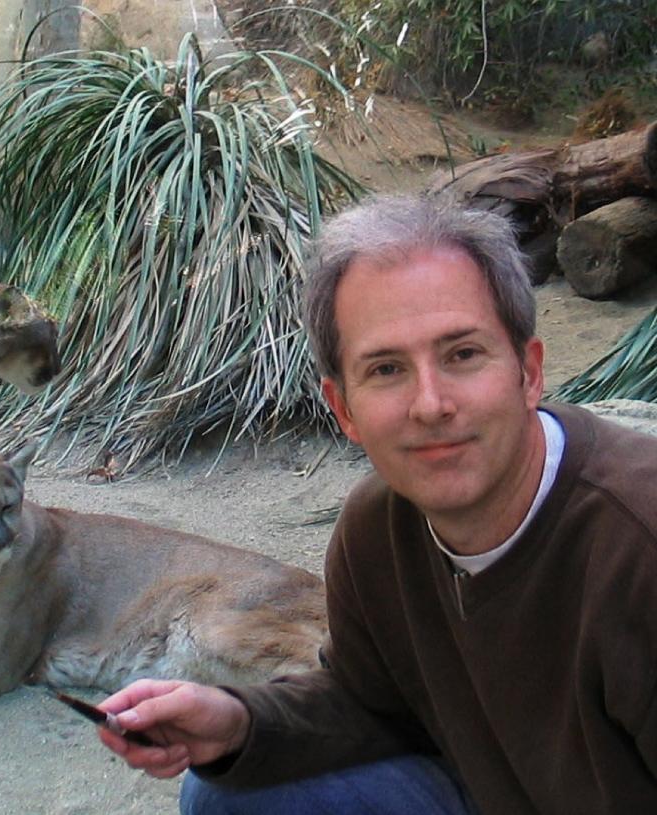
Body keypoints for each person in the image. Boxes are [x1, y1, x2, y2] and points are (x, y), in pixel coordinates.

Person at [93, 194, 657, 814]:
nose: (430, 404)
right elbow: (369, 702)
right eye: (387, 369)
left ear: (528, 372)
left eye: (462, 354)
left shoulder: (637, 549)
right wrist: (237, 721)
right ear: (344, 410)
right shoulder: (377, 529)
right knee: (237, 788)